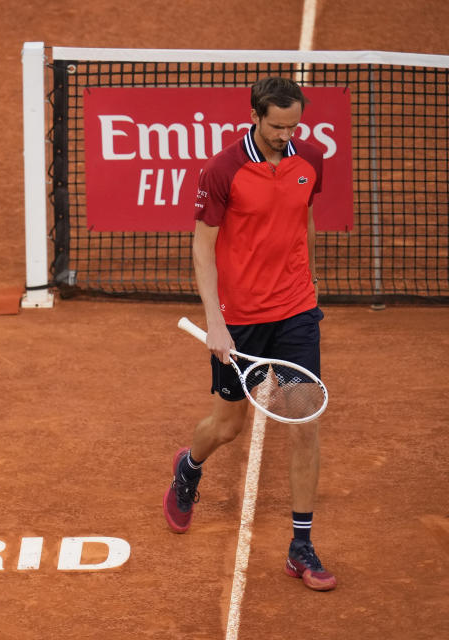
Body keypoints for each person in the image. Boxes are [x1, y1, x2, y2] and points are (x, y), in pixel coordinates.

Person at [163, 76, 337, 592]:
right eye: (277, 125)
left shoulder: (310, 159)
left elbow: (304, 218)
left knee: (304, 419)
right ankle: (189, 468)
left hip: (295, 311)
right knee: (227, 427)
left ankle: (300, 545)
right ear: (256, 116)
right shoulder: (223, 169)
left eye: (294, 125)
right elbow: (202, 246)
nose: (286, 134)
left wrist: (310, 278)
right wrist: (215, 320)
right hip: (238, 318)